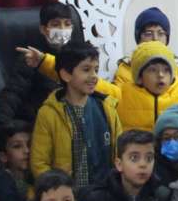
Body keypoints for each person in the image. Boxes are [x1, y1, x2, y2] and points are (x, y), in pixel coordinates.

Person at [31, 41, 122, 188]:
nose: (94, 76)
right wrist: (59, 193)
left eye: (96, 70)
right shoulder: (48, 113)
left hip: (104, 195)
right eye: (86, 69)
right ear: (66, 75)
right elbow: (39, 163)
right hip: (67, 196)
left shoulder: (107, 109)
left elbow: (120, 154)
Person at [0, 1, 84, 131]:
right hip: (39, 123)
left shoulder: (80, 58)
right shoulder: (32, 57)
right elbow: (14, 93)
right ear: (44, 29)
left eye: (67, 24)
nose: (62, 29)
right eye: (56, 24)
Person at [0, 122, 37, 201]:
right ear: (3, 156)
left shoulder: (33, 177)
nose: (27, 151)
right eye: (17, 146)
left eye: (30, 144)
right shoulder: (3, 180)